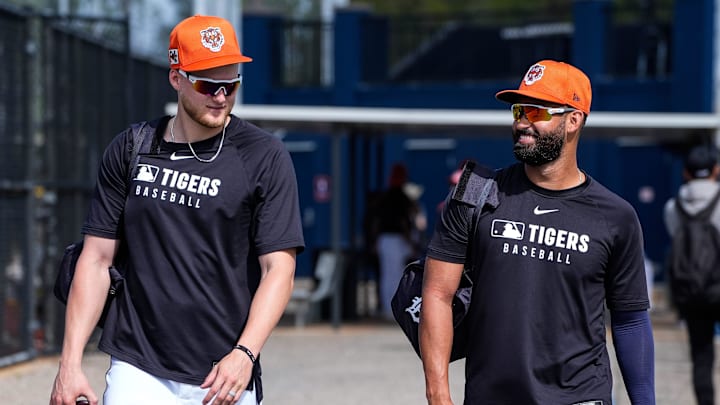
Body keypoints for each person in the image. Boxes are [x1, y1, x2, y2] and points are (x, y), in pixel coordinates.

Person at [50, 15, 304, 405]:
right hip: (138, 365)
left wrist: (245, 354)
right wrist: (69, 365)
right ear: (176, 79)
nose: (220, 97)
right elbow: (96, 259)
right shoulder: (132, 147)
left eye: (230, 84)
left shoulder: (264, 156)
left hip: (224, 373)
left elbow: (279, 268)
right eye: (206, 84)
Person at [419, 60, 655, 404]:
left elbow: (630, 320)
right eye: (518, 110)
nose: (521, 123)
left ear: (573, 119)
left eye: (537, 112)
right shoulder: (475, 194)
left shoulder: (616, 217)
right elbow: (437, 294)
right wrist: (438, 394)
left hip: (580, 398)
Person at [663, 144, 720, 405]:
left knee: (701, 354)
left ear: (686, 173)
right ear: (716, 170)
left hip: (691, 292)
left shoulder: (673, 207)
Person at [375, 162, 419, 320]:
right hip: (397, 239)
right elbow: (403, 223)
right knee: (397, 276)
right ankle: (394, 310)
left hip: (384, 239)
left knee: (387, 275)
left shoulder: (385, 196)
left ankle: (388, 308)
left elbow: (376, 222)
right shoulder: (401, 197)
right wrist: (411, 242)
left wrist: (374, 241)